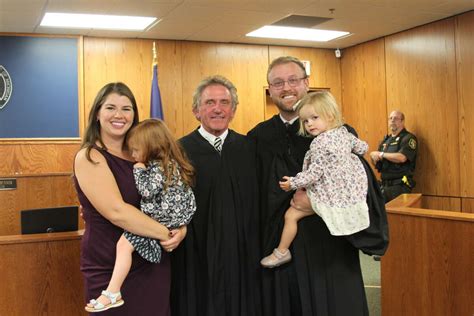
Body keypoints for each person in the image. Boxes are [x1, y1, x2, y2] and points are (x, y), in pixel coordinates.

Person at [248, 56, 369, 316]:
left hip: (328, 242)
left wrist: (316, 203)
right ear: (270, 90)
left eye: (293, 80)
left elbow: (359, 184)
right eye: (278, 82)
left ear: (307, 83)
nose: (286, 87)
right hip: (279, 240)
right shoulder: (258, 136)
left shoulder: (340, 134)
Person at [74, 82, 186, 315]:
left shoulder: (145, 153)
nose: (119, 115)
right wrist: (166, 233)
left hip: (152, 261)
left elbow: (170, 193)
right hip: (109, 264)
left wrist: (181, 228)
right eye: (111, 108)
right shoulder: (89, 157)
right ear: (97, 113)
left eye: (127, 109)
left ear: (134, 115)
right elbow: (117, 212)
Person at [169, 75, 262, 316]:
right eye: (210, 102)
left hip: (242, 251)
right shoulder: (178, 150)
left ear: (233, 110)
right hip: (196, 252)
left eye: (225, 102)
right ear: (196, 110)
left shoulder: (250, 149)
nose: (218, 109)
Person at [260, 91, 370, 268]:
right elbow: (363, 147)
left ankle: (281, 251)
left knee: (291, 214)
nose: (309, 124)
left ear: (330, 114)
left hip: (329, 193)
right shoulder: (344, 133)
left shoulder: (319, 143)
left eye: (314, 118)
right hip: (349, 193)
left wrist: (292, 183)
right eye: (305, 120)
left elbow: (314, 173)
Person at [369, 110, 417, 202]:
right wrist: (372, 156)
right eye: (390, 118)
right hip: (384, 186)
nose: (392, 120)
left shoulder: (408, 138)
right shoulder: (386, 141)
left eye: (395, 118)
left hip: (399, 187)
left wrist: (381, 154)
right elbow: (377, 163)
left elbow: (402, 157)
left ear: (402, 121)